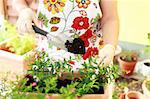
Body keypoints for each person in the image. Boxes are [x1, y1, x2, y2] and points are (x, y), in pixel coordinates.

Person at [12, 0, 119, 66]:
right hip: (48, 59)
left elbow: (110, 17)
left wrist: (110, 46)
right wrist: (23, 10)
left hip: (91, 60)